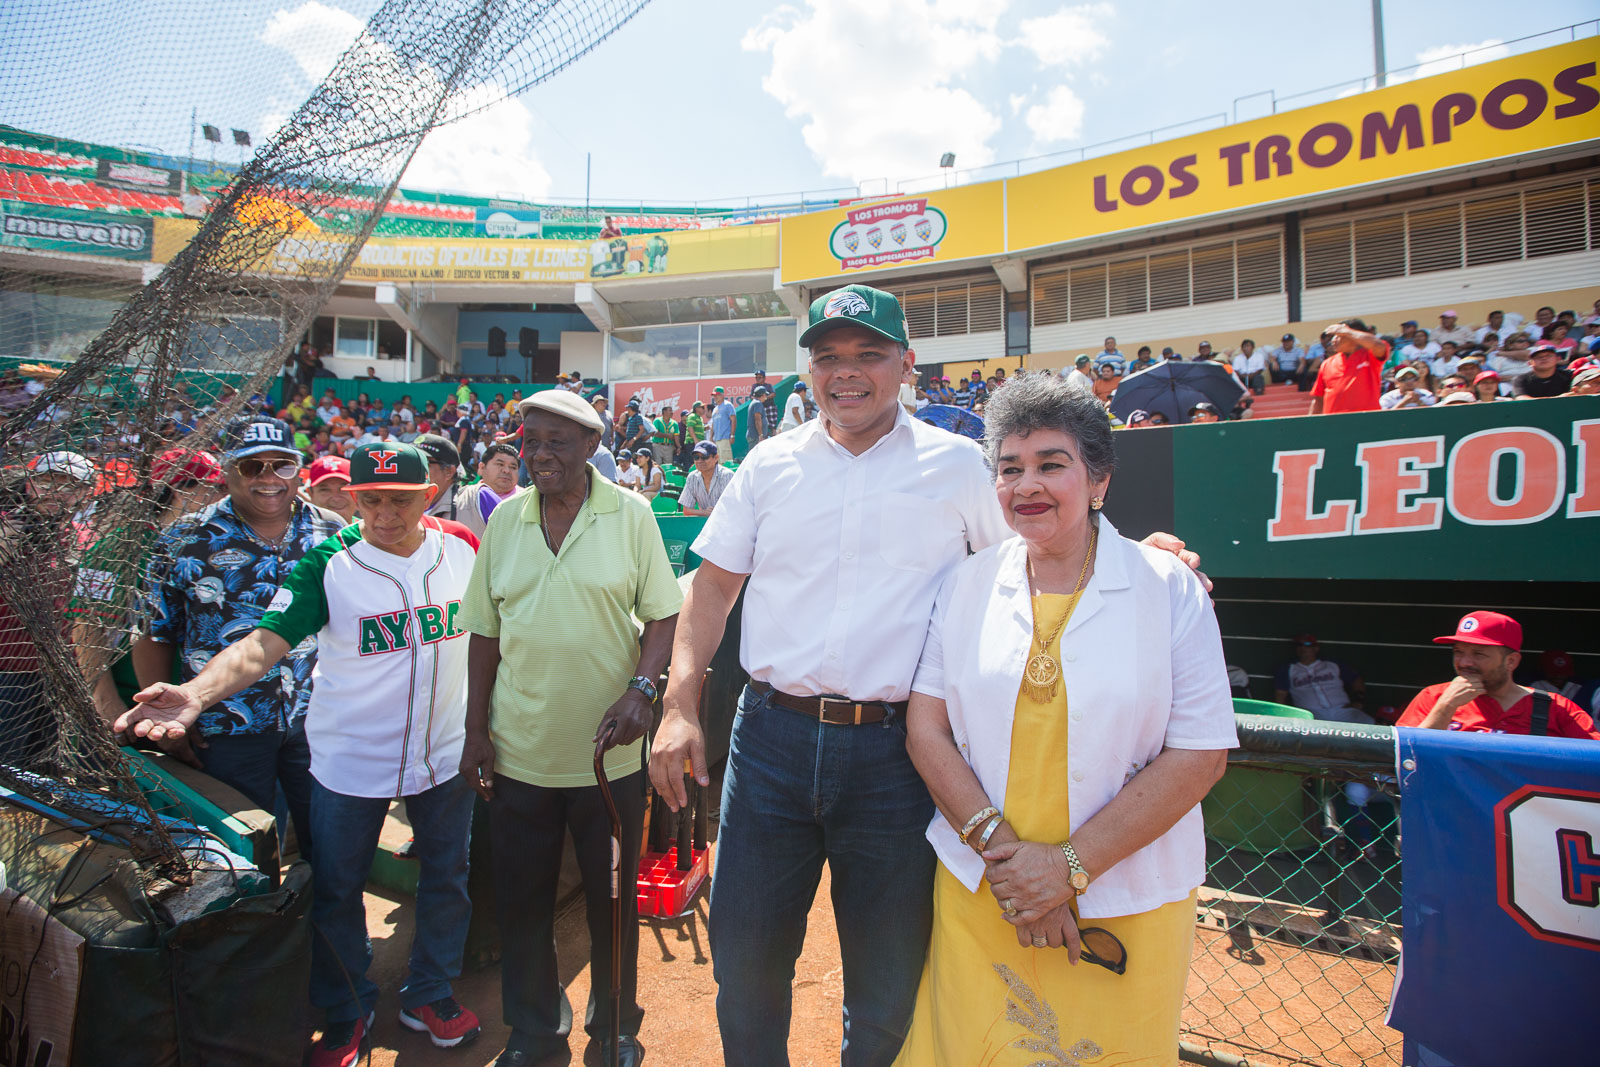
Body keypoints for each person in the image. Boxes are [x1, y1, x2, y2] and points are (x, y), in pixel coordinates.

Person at [648, 285, 1203, 1067]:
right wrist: (679, 704)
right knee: (746, 972)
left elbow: (1039, 540)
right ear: (808, 370)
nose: (847, 372)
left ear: (907, 365)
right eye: (829, 356)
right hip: (768, 742)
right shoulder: (768, 466)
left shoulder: (959, 468)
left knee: (884, 992)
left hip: (894, 757)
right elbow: (709, 589)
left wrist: (1146, 558)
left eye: (869, 354)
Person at [891, 373, 1236, 1065]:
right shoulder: (965, 584)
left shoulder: (1167, 587)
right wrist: (1015, 866)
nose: (1028, 485)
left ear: (1099, 477)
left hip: (1124, 900)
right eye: (1010, 468)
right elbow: (926, 731)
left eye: (1052, 464)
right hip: (986, 894)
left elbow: (1200, 752)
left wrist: (1069, 869)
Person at [120, 442, 483, 1066]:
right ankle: (346, 1005)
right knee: (338, 888)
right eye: (371, 500)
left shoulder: (463, 547)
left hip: (444, 751)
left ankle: (429, 990)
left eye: (400, 501)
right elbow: (262, 645)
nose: (384, 516)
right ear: (354, 497)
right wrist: (194, 693)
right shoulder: (329, 563)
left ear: (429, 496)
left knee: (448, 877)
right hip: (350, 758)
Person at [458, 389, 681, 1067]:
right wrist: (475, 730)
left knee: (612, 907)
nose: (541, 454)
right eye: (531, 441)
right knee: (523, 906)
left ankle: (614, 1029)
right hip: (520, 757)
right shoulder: (505, 523)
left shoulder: (631, 514)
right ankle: (533, 1031)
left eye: (558, 441)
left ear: (591, 446)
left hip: (609, 766)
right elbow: (484, 635)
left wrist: (644, 688)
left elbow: (664, 614)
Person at [134, 416, 344, 854]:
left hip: (317, 717)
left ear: (298, 469)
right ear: (227, 471)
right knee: (241, 851)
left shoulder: (332, 532)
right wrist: (166, 713)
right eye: (252, 467)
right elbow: (155, 632)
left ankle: (319, 922)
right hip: (225, 723)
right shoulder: (184, 538)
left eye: (282, 465)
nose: (269, 479)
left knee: (327, 843)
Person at [1397, 612, 1598, 739]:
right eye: (1458, 652)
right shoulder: (1433, 697)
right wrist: (1446, 708)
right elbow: (1403, 760)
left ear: (1511, 661)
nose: (1465, 662)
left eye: (1479, 654)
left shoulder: (1557, 708)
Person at [1273, 634, 1368, 723]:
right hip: (1310, 714)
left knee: (1373, 729)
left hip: (1343, 710)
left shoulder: (1332, 665)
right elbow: (1280, 695)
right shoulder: (1288, 669)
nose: (1302, 648)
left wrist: (1358, 701)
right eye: (1299, 645)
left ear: (1316, 648)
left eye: (1307, 644)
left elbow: (1356, 680)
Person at [1310, 320, 1388, 415]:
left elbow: (1378, 345)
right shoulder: (1327, 363)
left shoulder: (1369, 356)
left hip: (1366, 420)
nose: (1333, 340)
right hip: (1333, 423)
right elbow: (1318, 398)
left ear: (1354, 337)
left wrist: (1347, 331)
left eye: (1339, 336)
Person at [454, 442, 521, 539]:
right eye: (500, 464)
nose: (506, 470)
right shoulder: (464, 498)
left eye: (513, 467)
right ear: (481, 468)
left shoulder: (527, 499)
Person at [678, 440, 734, 516]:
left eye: (705, 457)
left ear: (716, 458)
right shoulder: (692, 477)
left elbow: (734, 507)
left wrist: (715, 512)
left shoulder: (727, 476)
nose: (699, 461)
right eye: (696, 457)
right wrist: (704, 512)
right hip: (705, 524)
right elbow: (686, 510)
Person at [304, 456, 356, 523]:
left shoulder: (370, 530)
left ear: (357, 494)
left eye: (344, 489)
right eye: (325, 490)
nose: (336, 499)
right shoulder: (297, 531)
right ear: (311, 494)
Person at [710, 387, 736, 460]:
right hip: (716, 440)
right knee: (718, 463)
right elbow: (713, 424)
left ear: (722, 395)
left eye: (717, 395)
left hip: (725, 438)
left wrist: (732, 435)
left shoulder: (728, 405)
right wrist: (711, 438)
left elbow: (733, 420)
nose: (715, 397)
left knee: (726, 462)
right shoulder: (715, 409)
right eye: (714, 395)